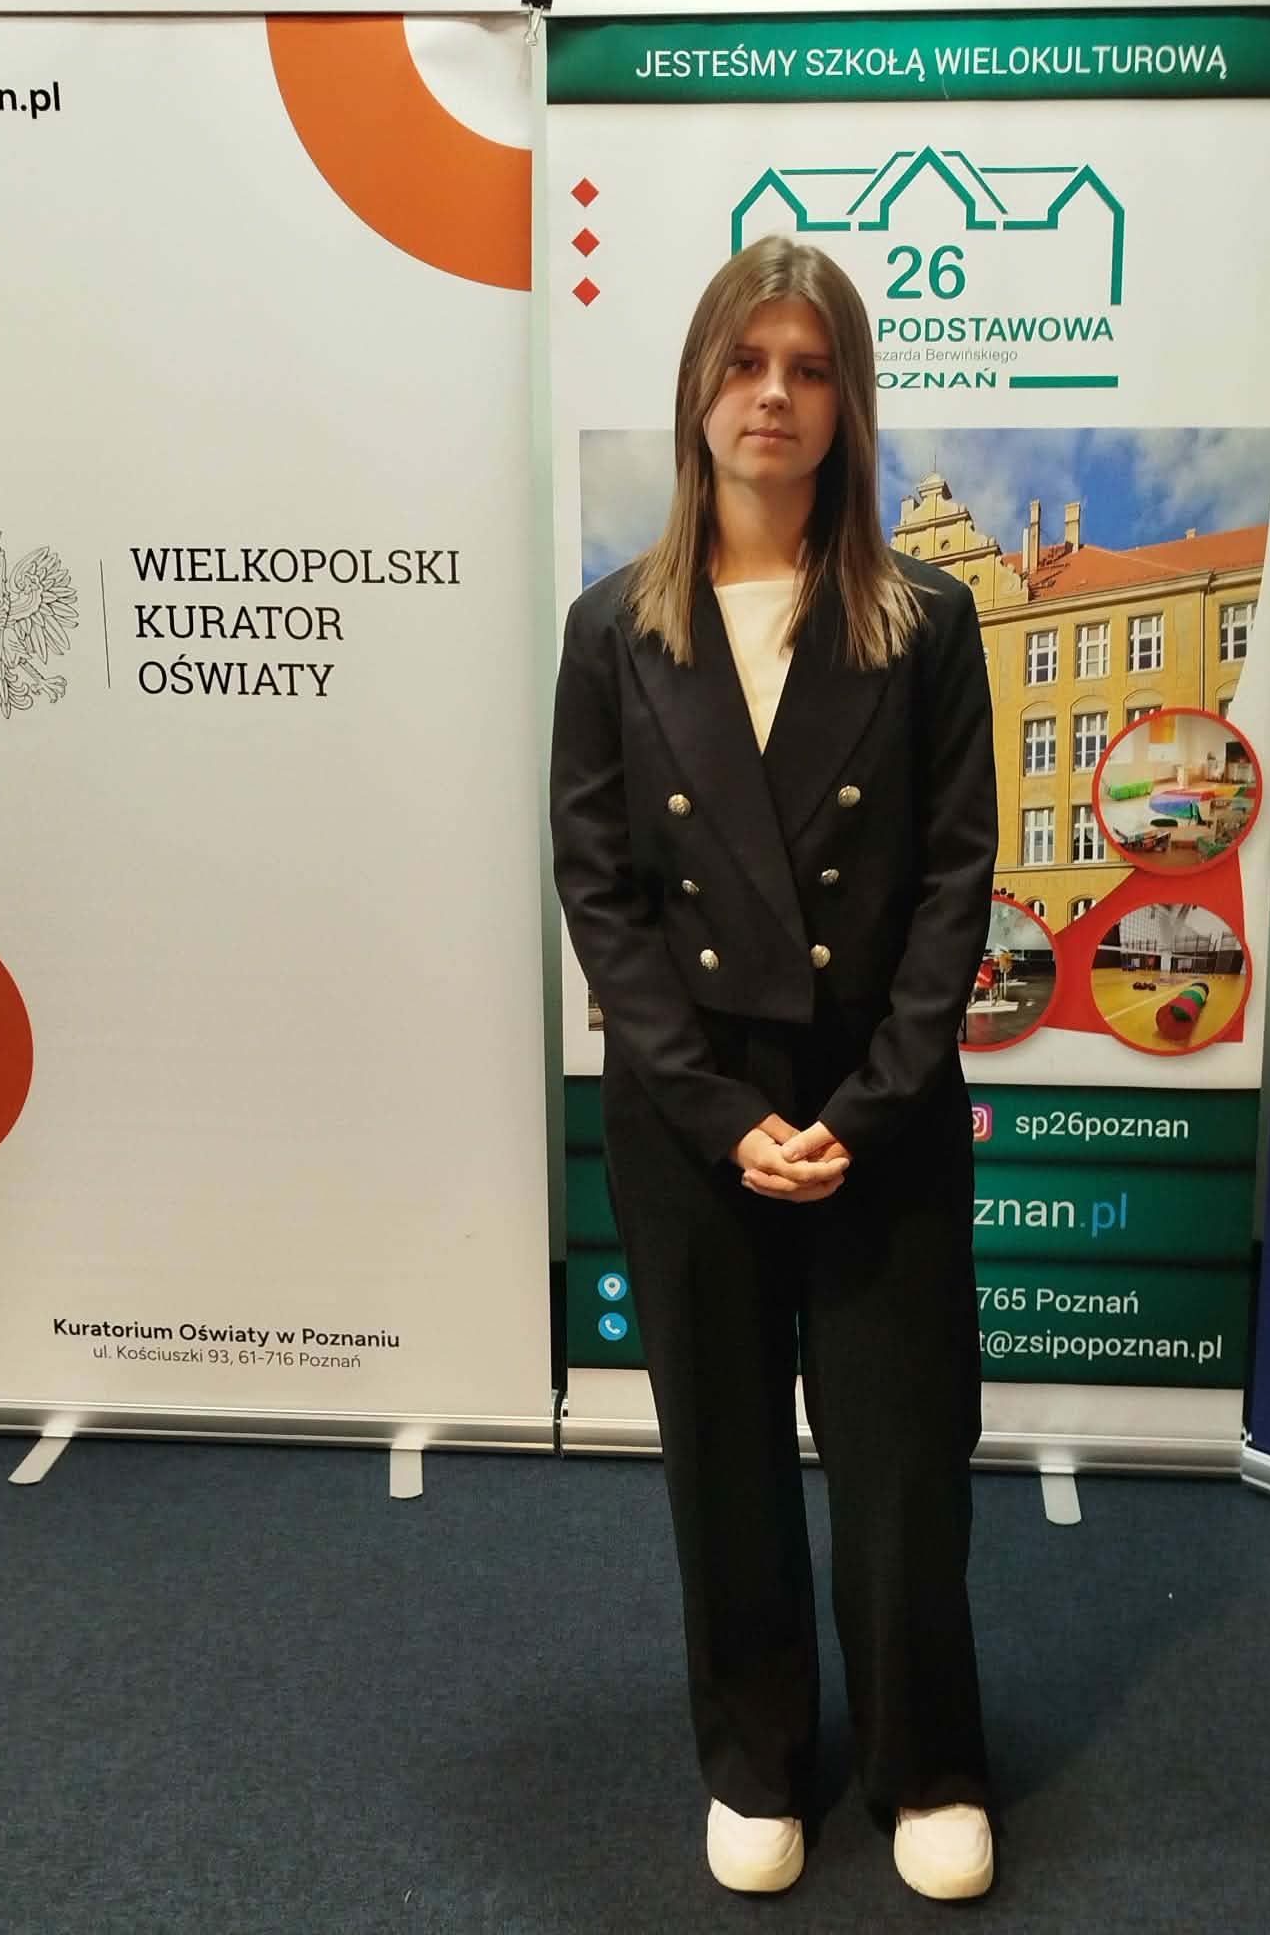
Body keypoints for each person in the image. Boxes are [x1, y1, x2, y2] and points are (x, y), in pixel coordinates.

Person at [549, 235, 998, 1901]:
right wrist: (724, 1113)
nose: (774, 397)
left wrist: (861, 1108)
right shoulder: (613, 629)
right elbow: (601, 893)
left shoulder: (925, 621)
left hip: (878, 1098)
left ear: (849, 405)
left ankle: (925, 1765)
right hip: (691, 1109)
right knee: (723, 1456)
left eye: (811, 370)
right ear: (698, 389)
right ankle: (754, 1758)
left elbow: (956, 881)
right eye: (746, 365)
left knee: (901, 1458)